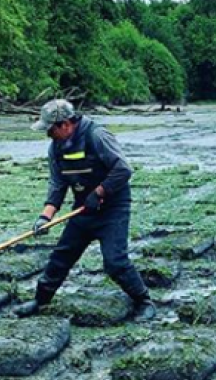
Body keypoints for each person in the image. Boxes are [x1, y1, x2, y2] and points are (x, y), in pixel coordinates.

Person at [14, 99, 156, 321]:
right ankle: (40, 300)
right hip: (83, 209)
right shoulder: (56, 148)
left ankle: (144, 301)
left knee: (115, 262)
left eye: (50, 129)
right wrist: (45, 217)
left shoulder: (97, 136)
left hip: (112, 209)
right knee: (62, 256)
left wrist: (99, 193)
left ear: (65, 125)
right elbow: (57, 184)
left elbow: (123, 169)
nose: (48, 134)